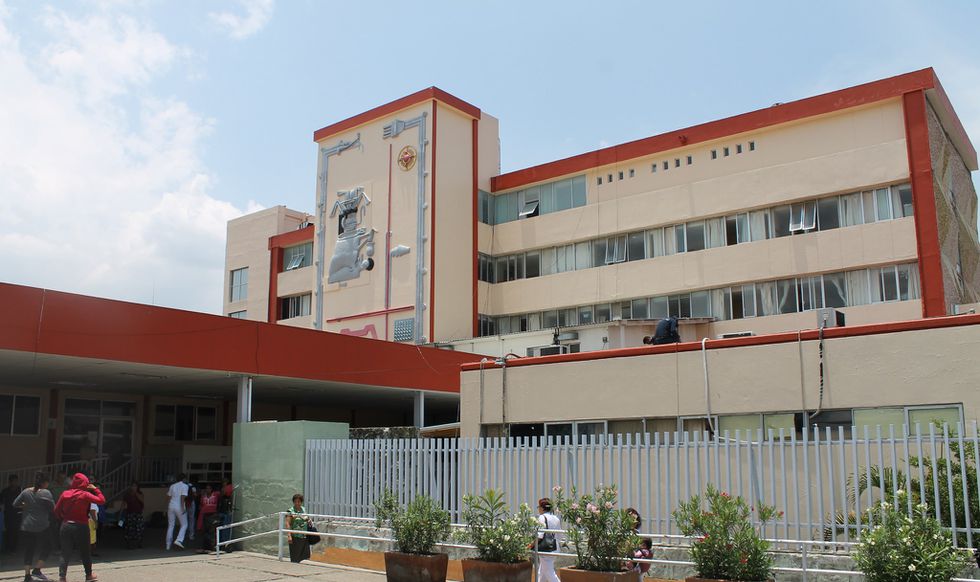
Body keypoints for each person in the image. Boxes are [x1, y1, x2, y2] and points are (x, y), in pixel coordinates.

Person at [54, 473, 104, 582]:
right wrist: (96, 489)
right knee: (85, 551)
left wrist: (63, 517)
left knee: (65, 552)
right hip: (81, 525)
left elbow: (56, 510)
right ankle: (88, 575)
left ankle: (62, 577)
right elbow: (101, 500)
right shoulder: (85, 495)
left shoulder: (65, 494)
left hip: (66, 525)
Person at [13, 472, 55, 582]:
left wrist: (24, 505)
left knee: (29, 549)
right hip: (42, 525)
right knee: (49, 546)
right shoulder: (46, 493)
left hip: (27, 525)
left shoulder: (26, 491)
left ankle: (27, 576)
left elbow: (15, 504)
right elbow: (52, 508)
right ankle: (37, 569)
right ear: (45, 483)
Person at [535, 497, 561, 582]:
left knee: (549, 572)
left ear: (542, 508)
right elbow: (558, 535)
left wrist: (532, 545)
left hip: (546, 549)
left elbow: (540, 536)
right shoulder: (556, 518)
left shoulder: (542, 517)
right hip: (555, 548)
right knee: (542, 571)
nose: (538, 509)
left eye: (538, 507)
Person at [165, 474, 189, 550]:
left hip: (171, 506)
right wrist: (183, 508)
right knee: (184, 524)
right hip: (179, 507)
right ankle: (179, 540)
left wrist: (167, 508)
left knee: (171, 525)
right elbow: (182, 497)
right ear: (184, 479)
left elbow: (168, 497)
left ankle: (168, 545)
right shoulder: (185, 486)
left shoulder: (172, 486)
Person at [284, 493, 310, 563]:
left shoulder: (303, 509)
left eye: (299, 501)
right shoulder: (290, 511)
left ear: (301, 502)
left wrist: (309, 520)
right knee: (295, 555)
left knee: (304, 555)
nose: (297, 503)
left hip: (304, 536)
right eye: (295, 501)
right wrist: (289, 535)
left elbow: (306, 518)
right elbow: (287, 523)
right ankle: (293, 569)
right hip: (295, 536)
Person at [195, 484, 219, 553]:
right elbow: (200, 505)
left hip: (213, 515)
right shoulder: (203, 496)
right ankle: (205, 547)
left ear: (212, 489)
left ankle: (212, 547)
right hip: (204, 515)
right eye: (206, 488)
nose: (208, 490)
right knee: (204, 531)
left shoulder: (216, 494)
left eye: (209, 488)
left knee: (212, 532)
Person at [3, 474, 23, 553]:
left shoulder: (20, 490)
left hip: (17, 513)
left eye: (16, 481)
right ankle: (8, 548)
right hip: (8, 513)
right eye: (13, 481)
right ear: (10, 482)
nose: (15, 483)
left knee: (16, 531)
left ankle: (14, 549)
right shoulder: (5, 491)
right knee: (8, 531)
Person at [122, 481, 145, 549]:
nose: (134, 487)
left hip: (138, 514)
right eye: (132, 486)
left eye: (135, 486)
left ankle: (139, 544)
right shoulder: (127, 494)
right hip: (129, 513)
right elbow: (123, 504)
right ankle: (128, 545)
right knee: (129, 530)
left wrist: (136, 493)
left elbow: (142, 501)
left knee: (139, 530)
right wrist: (120, 513)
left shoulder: (140, 493)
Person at [216, 478, 234, 551]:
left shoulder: (227, 489)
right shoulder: (224, 490)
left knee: (226, 526)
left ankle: (224, 542)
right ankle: (221, 542)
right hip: (223, 510)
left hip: (226, 509)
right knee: (222, 526)